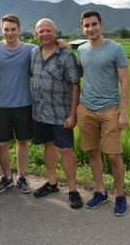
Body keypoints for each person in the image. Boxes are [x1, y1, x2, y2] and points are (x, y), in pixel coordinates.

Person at [0, 14, 65, 195]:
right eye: (6, 29)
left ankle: (21, 177)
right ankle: (7, 178)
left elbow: (49, 48)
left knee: (23, 141)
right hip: (2, 105)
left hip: (24, 104)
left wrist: (60, 42)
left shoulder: (30, 50)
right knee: (1, 144)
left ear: (19, 30)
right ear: (2, 30)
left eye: (13, 29)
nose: (10, 33)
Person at [77, 10, 130, 216]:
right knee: (92, 152)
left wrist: (123, 112)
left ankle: (120, 195)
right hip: (86, 108)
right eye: (86, 26)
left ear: (101, 24)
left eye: (93, 24)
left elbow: (125, 81)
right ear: (82, 28)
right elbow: (80, 74)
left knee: (114, 156)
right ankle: (101, 191)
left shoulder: (116, 49)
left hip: (110, 109)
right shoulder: (81, 50)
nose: (90, 29)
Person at [30, 18, 83, 209]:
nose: (44, 34)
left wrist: (73, 114)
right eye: (40, 31)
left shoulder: (66, 54)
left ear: (55, 32)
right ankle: (52, 183)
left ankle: (73, 189)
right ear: (36, 34)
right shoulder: (34, 53)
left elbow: (75, 85)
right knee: (48, 145)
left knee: (66, 149)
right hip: (40, 110)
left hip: (61, 111)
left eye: (48, 31)